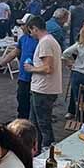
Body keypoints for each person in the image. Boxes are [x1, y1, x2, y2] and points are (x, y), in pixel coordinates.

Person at [19, 15, 66, 149]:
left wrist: (31, 68)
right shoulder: (49, 41)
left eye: (31, 31)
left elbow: (48, 68)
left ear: (35, 28)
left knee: (43, 124)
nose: (31, 35)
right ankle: (37, 149)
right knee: (35, 123)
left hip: (44, 89)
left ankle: (47, 149)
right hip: (42, 88)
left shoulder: (45, 42)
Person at [0, 19, 40, 120]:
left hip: (35, 78)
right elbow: (14, 53)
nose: (21, 27)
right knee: (22, 102)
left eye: (23, 25)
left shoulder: (40, 40)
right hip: (23, 77)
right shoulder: (23, 38)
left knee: (34, 106)